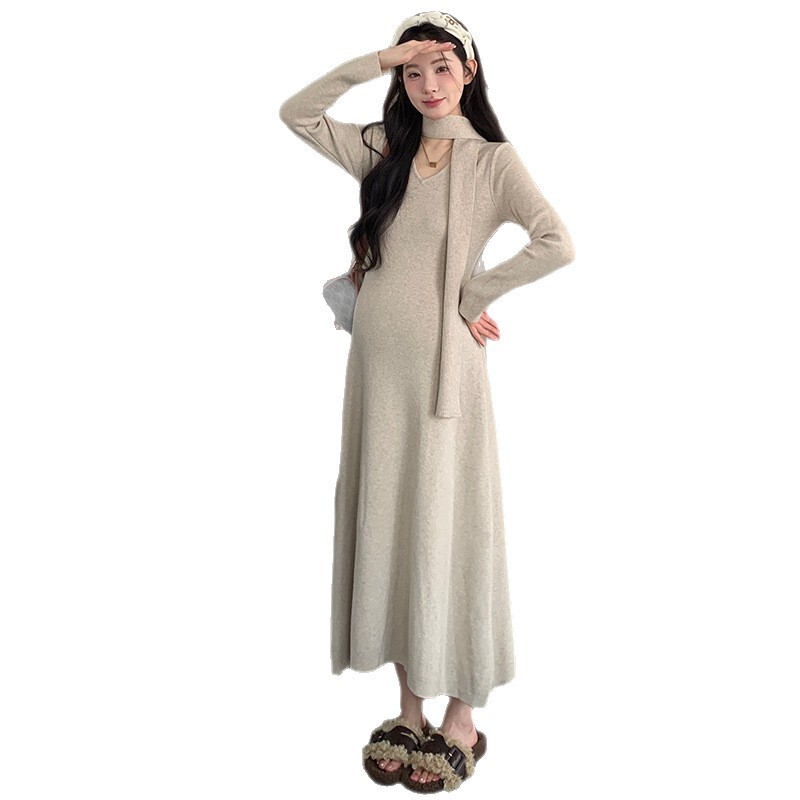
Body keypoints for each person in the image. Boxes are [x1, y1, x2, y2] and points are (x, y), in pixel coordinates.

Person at [278, 11, 575, 791]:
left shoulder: (492, 162)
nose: (428, 83)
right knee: (394, 527)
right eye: (414, 70)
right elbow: (298, 113)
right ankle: (409, 709)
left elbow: (556, 241)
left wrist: (475, 291)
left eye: (442, 66)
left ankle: (462, 718)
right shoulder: (386, 148)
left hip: (448, 377)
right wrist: (379, 58)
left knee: (449, 526)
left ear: (470, 73)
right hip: (378, 376)